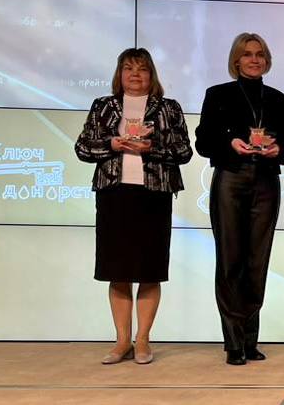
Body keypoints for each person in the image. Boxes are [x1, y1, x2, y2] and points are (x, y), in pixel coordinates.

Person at [75, 47, 192, 365]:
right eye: (129, 68)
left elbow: (184, 151)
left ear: (151, 74)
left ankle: (143, 340)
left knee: (149, 270)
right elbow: (83, 148)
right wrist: (112, 144)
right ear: (120, 74)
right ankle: (122, 341)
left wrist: (151, 147)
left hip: (154, 195)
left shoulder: (168, 108)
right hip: (114, 194)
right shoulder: (103, 106)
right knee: (118, 270)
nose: (135, 74)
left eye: (142, 69)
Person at [195, 32, 284, 366]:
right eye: (248, 54)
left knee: (257, 262)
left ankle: (250, 339)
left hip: (266, 181)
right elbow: (203, 142)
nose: (255, 59)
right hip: (231, 178)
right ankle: (234, 342)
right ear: (236, 60)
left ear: (267, 60)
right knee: (230, 260)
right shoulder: (218, 95)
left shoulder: (280, 100)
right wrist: (231, 143)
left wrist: (277, 149)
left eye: (260, 54)